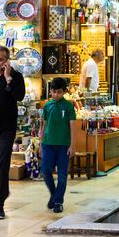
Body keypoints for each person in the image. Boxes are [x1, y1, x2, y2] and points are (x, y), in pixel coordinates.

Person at [0, 46, 25, 219]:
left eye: (1, 59)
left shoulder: (16, 77)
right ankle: (2, 191)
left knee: (2, 163)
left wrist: (8, 79)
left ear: (7, 60)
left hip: (6, 128)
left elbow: (19, 96)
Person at [40, 77, 76, 213]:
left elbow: (73, 128)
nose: (56, 95)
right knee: (45, 171)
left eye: (59, 92)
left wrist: (73, 145)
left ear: (64, 92)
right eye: (53, 92)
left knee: (62, 175)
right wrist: (41, 141)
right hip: (48, 144)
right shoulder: (47, 106)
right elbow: (44, 124)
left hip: (63, 146)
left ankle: (58, 202)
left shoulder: (68, 106)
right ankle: (54, 194)